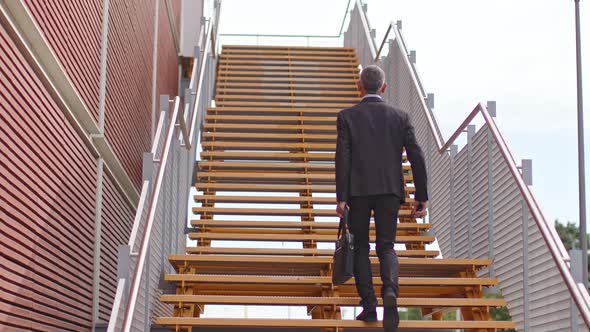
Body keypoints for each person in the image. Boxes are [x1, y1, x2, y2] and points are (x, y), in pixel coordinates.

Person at [335, 65, 429, 332]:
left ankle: (369, 305)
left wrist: (341, 197)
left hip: (358, 191)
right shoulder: (400, 116)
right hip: (390, 190)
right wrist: (421, 195)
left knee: (361, 247)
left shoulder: (347, 116)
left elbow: (343, 157)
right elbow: (417, 155)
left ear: (359, 86)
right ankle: (390, 291)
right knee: (386, 246)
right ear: (384, 87)